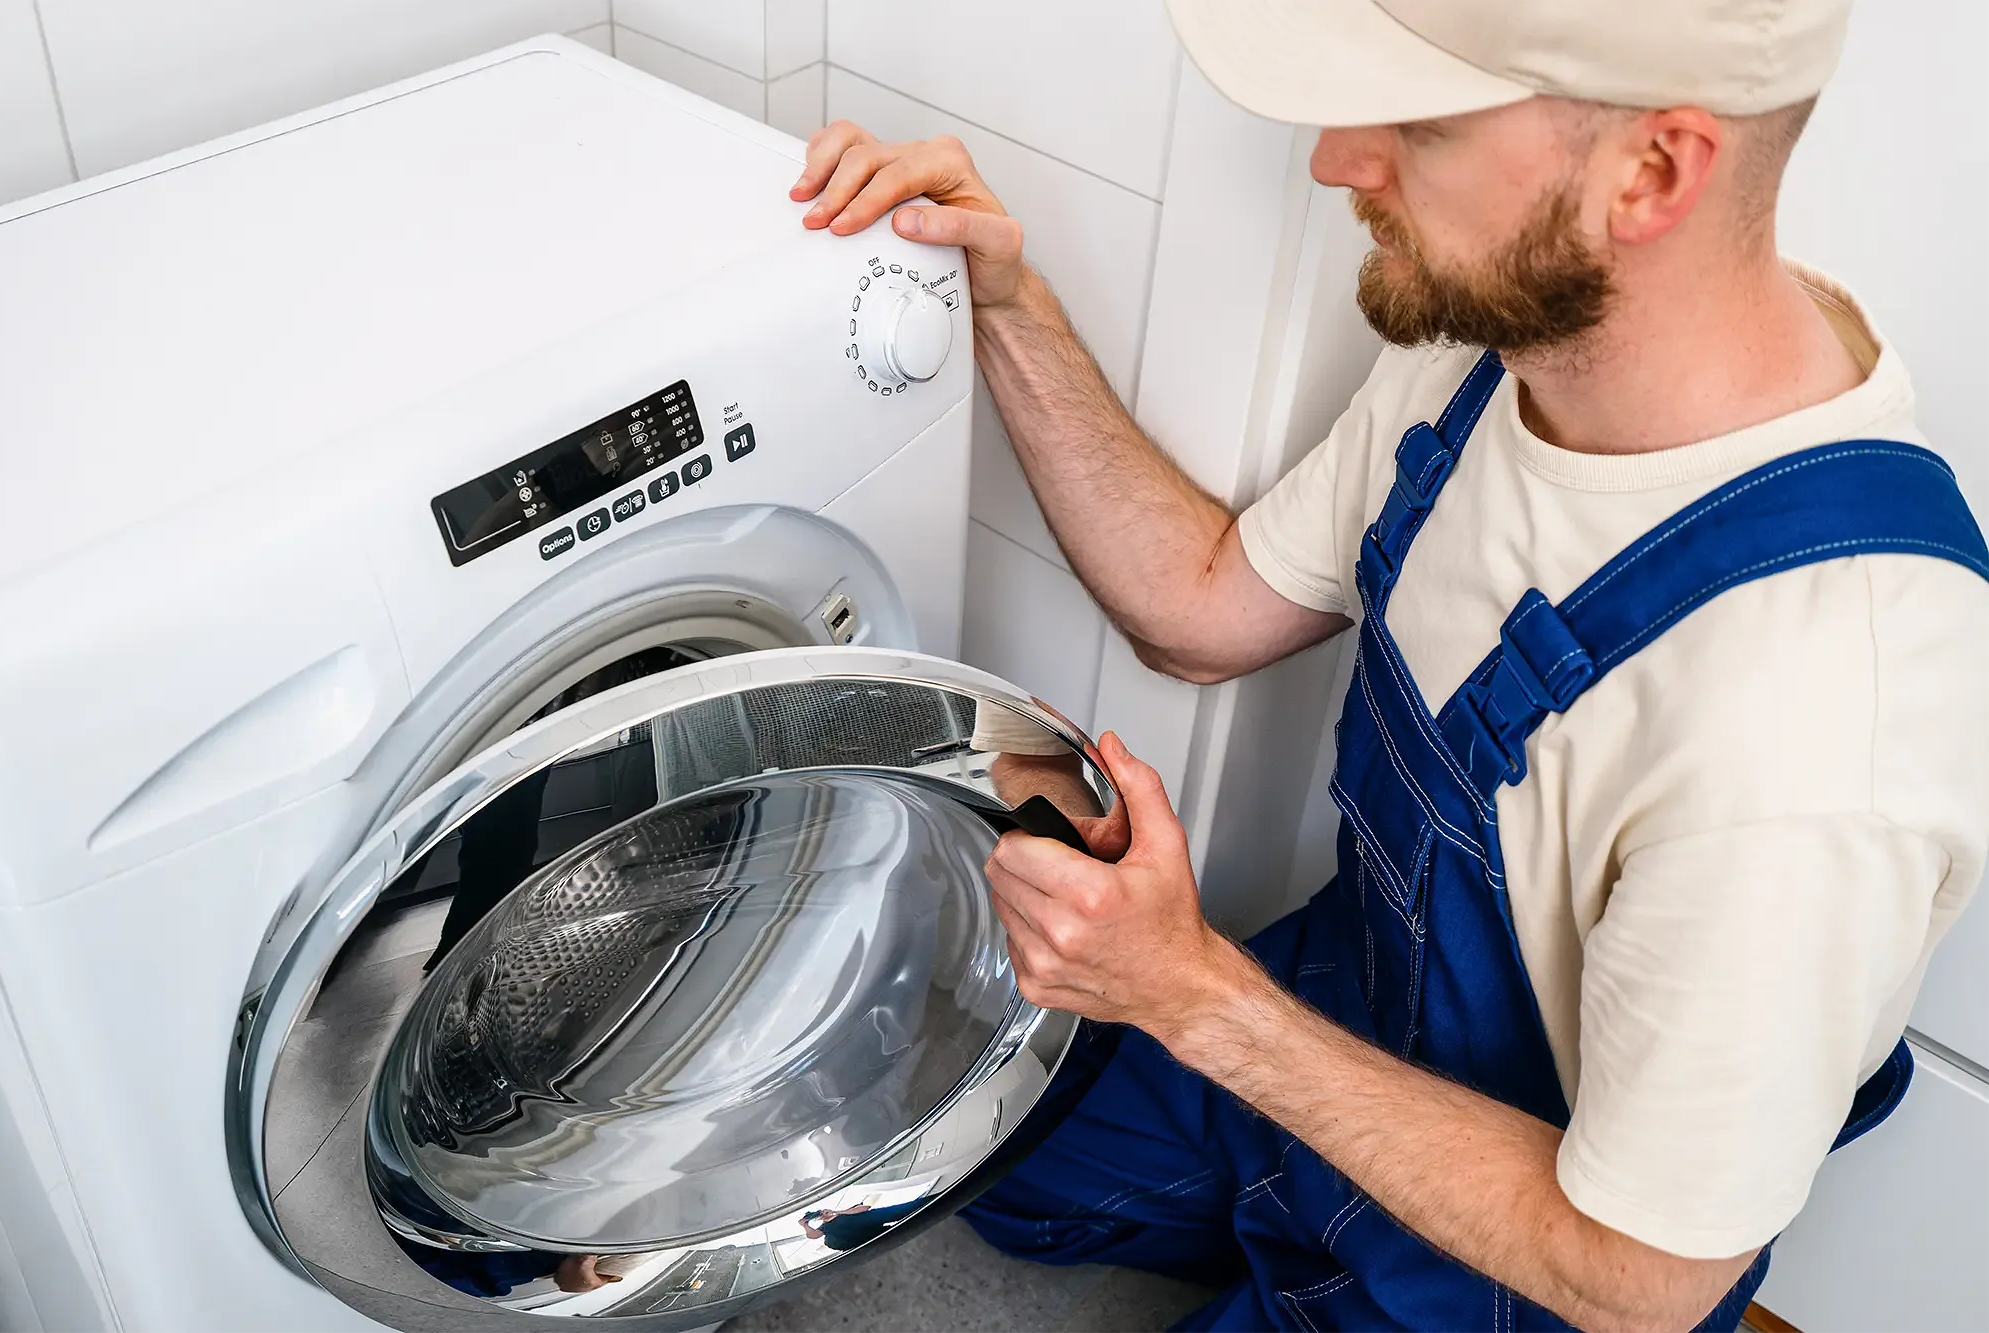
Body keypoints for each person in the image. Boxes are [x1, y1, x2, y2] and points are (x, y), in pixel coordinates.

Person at [791, 0, 1989, 1330]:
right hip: (1348, 1008)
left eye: (1418, 126)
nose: (1334, 161)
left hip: (1534, 1251)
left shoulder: (1815, 726)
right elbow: (1197, 610)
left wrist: (1196, 998)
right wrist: (1005, 299)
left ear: (1653, 172)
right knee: (983, 1160)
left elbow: (1640, 1278)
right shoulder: (1498, 364)